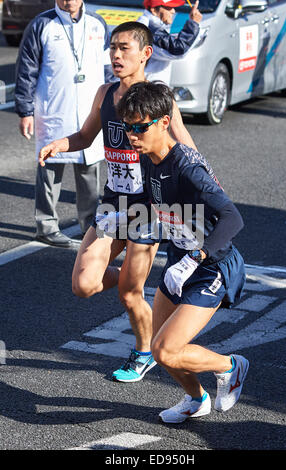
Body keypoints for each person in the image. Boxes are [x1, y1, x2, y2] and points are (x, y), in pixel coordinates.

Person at [38, 21, 197, 383]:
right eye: (112, 48)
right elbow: (84, 135)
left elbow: (183, 142)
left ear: (145, 54)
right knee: (84, 284)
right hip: (114, 205)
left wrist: (203, 187)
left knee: (128, 294)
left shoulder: (159, 98)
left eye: (125, 48)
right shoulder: (104, 93)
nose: (116, 55)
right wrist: (59, 145)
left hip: (148, 207)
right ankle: (136, 285)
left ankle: (144, 353)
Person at [116, 81, 249, 423]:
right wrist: (121, 215)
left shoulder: (188, 167)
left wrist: (196, 258)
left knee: (165, 349)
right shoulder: (148, 157)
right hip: (180, 261)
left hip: (211, 267)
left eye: (140, 127)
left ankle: (230, 366)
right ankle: (197, 399)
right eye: (128, 127)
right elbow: (156, 201)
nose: (132, 135)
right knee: (163, 353)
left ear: (163, 121)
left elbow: (233, 218)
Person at [15, 0, 110, 248]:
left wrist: (114, 103)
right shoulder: (42, 24)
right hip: (54, 109)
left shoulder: (98, 24)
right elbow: (26, 70)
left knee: (89, 168)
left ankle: (89, 225)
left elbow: (109, 68)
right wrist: (25, 110)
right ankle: (46, 226)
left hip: (91, 109)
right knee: (49, 168)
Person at [138, 0, 202, 84]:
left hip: (148, 87)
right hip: (148, 89)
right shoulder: (150, 29)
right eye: (168, 7)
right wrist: (193, 24)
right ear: (153, 10)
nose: (173, 11)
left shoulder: (149, 24)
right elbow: (178, 50)